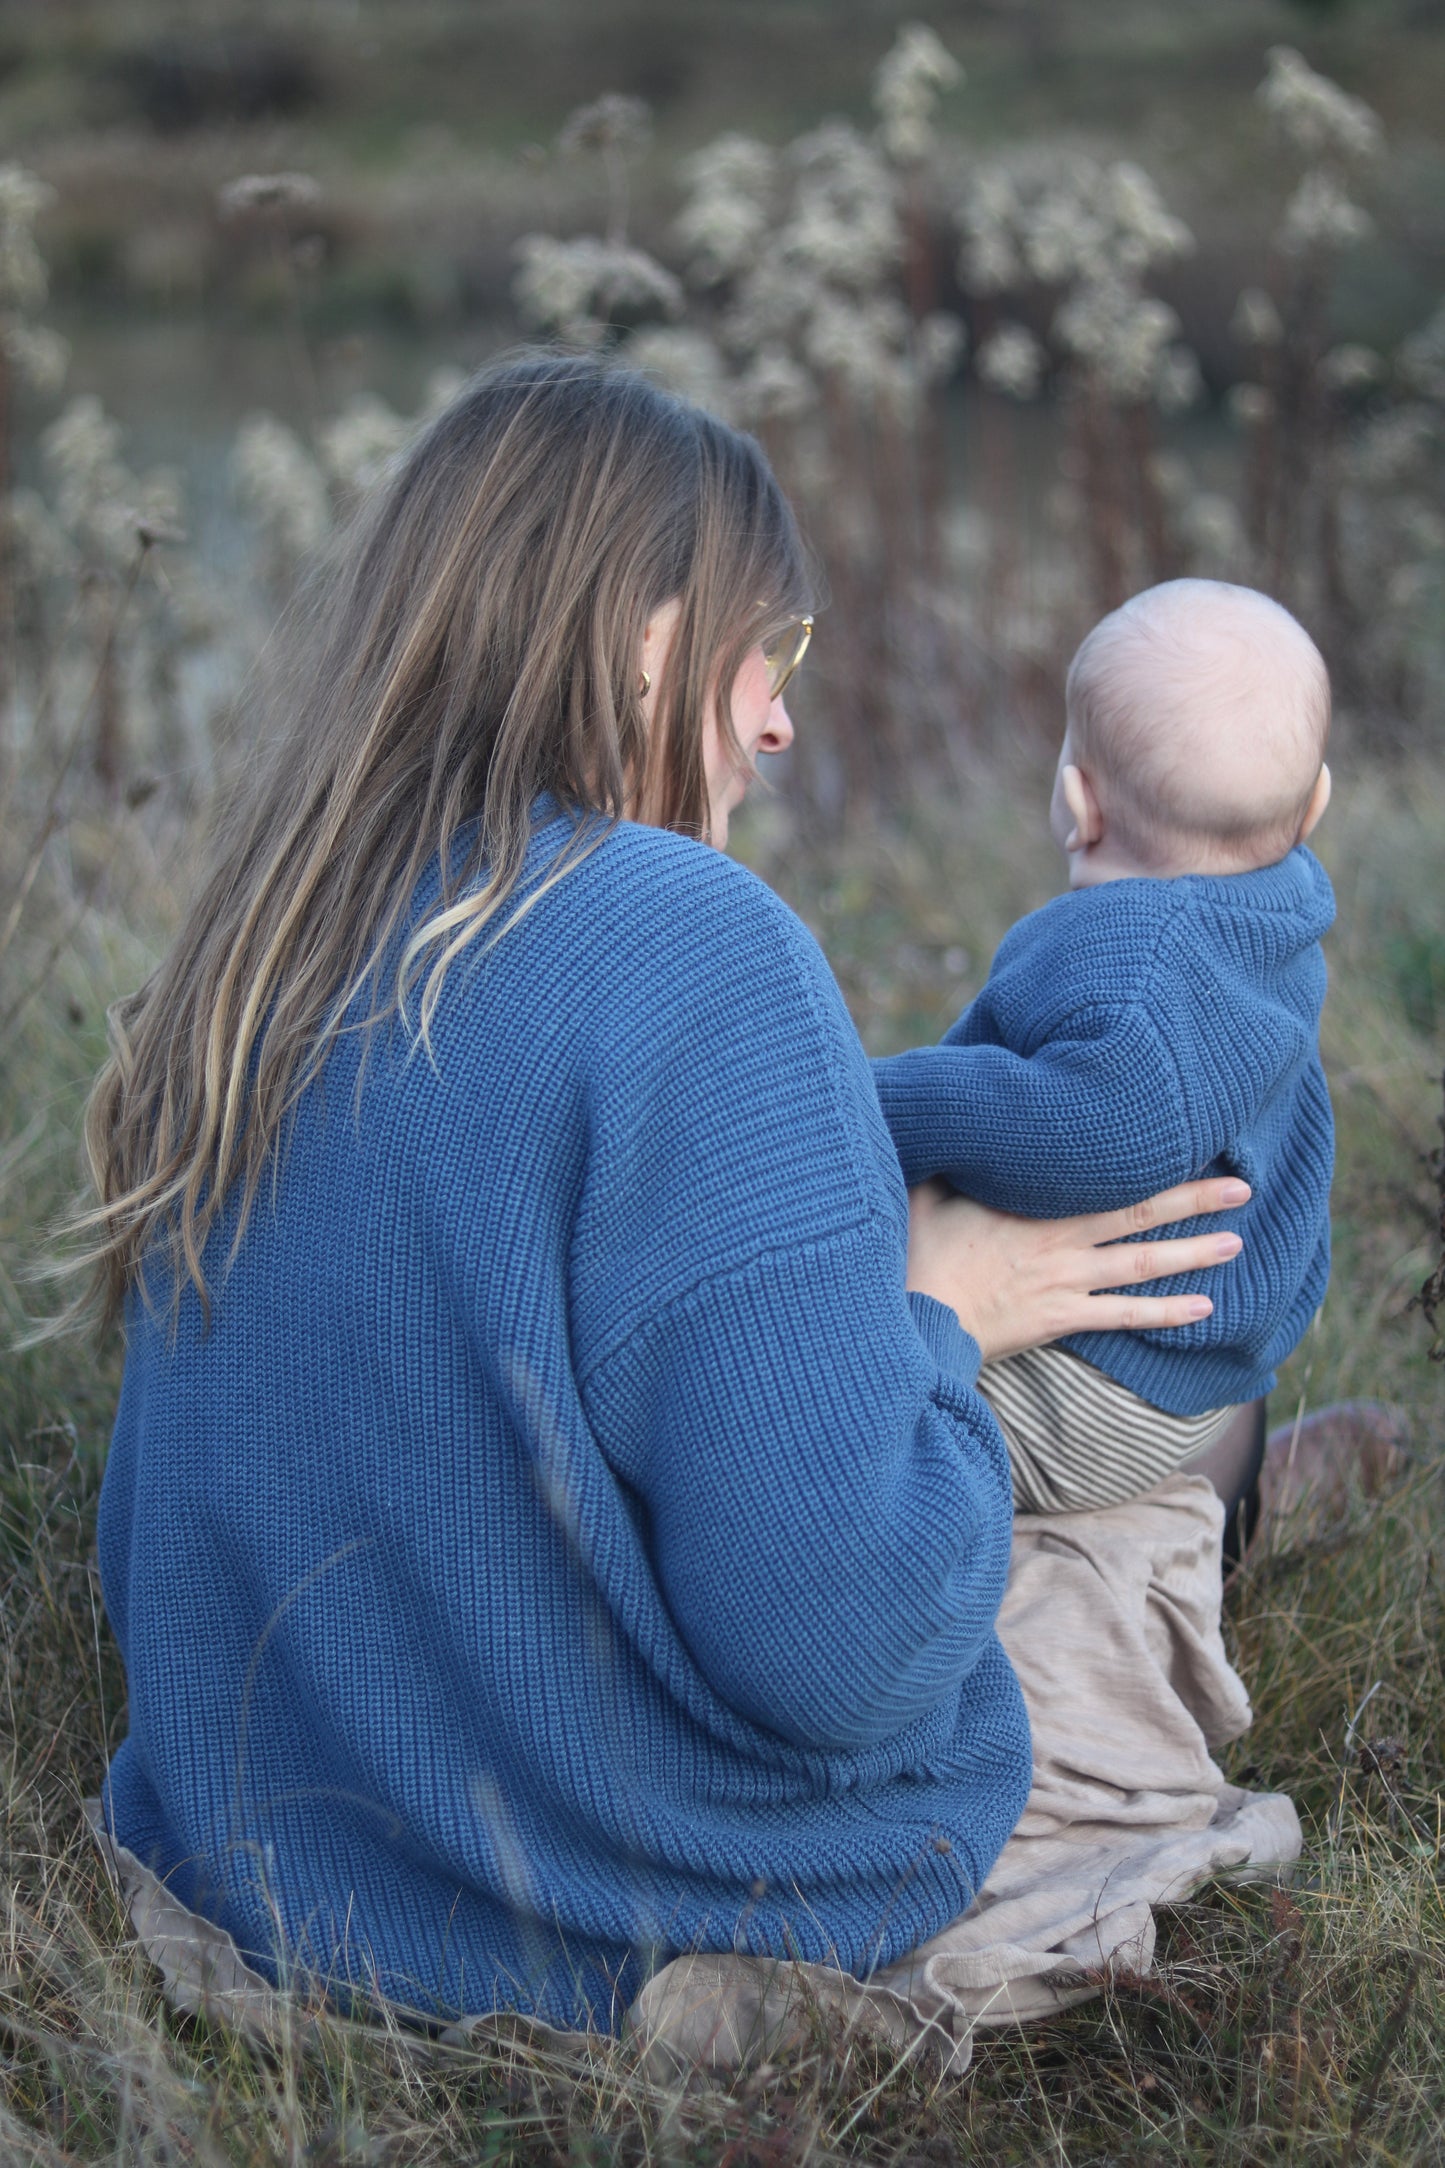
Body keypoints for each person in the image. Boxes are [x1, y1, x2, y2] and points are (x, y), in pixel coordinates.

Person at [81, 353, 1248, 2036]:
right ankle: (1253, 1477)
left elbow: (160, 1538)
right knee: (1151, 1474)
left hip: (279, 1858)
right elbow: (841, 1652)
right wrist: (931, 1321)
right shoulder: (693, 940)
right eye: (768, 648)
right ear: (645, 637)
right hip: (612, 1898)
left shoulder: (272, 944)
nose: (778, 720)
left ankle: (1267, 1469)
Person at [873, 581, 1334, 1533]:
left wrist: (883, 1100)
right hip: (1201, 1363)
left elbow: (1086, 1128)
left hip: (1096, 1389)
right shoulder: (1276, 915)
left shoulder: (1131, 967)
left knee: (862, 1414)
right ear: (1313, 805)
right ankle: (1241, 1494)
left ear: (1076, 803)